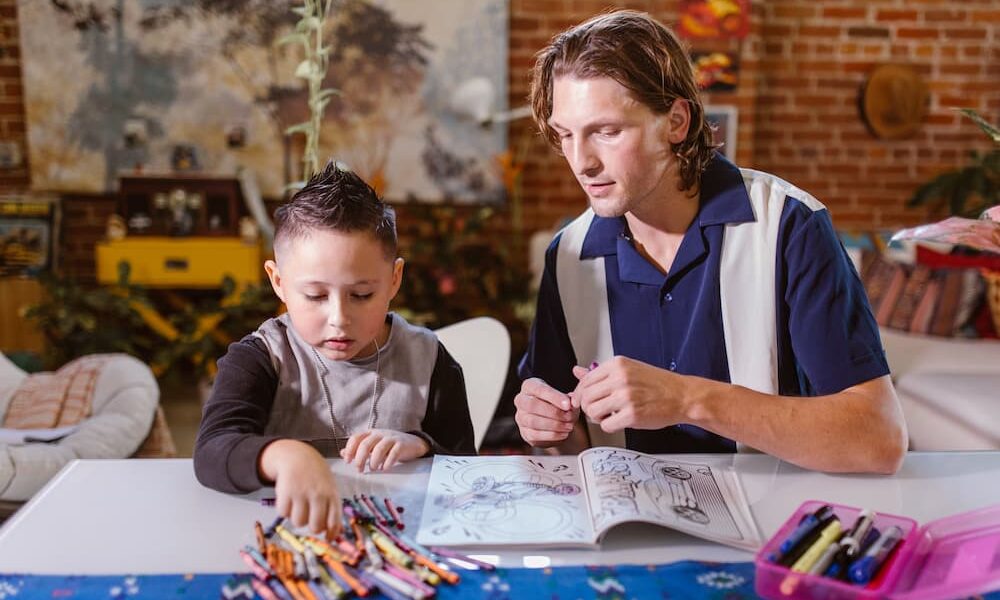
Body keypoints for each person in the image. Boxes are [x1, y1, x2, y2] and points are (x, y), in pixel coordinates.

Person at [515, 10, 907, 474]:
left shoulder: (790, 226)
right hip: (625, 534)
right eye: (565, 136)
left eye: (607, 131)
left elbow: (878, 440)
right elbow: (571, 451)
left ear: (676, 121)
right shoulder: (567, 255)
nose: (582, 162)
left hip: (771, 529)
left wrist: (687, 398)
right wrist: (548, 429)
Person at [194, 162, 475, 536]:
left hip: (401, 539)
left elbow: (467, 465)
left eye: (361, 295)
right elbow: (212, 451)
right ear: (278, 282)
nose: (339, 318)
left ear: (394, 280)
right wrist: (285, 455)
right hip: (289, 537)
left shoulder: (428, 359)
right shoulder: (263, 358)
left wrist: (421, 445)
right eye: (315, 295)